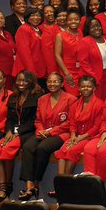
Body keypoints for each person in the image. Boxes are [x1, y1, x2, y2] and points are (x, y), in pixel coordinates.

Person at [16, 72, 73, 200]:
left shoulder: (70, 99)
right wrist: (41, 130)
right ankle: (29, 186)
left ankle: (36, 183)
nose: (52, 84)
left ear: (62, 84)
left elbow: (70, 122)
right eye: (49, 82)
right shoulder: (42, 99)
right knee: (27, 147)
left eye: (55, 81)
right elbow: (38, 120)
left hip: (62, 133)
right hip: (42, 132)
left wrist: (51, 132)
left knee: (42, 148)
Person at [0, 71, 41, 202]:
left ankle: (7, 186)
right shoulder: (13, 97)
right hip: (12, 133)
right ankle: (3, 187)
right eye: (19, 80)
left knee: (6, 150)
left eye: (24, 80)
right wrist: (8, 132)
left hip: (27, 133)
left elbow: (34, 121)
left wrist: (17, 133)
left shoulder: (37, 97)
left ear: (31, 82)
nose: (21, 83)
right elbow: (9, 119)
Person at [53, 76, 104, 179]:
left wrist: (79, 139)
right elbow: (72, 123)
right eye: (83, 86)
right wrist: (73, 135)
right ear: (79, 88)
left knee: (71, 151)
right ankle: (60, 182)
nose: (85, 89)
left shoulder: (99, 104)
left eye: (89, 86)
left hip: (90, 137)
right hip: (76, 136)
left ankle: (67, 182)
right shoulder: (75, 104)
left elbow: (96, 127)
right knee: (62, 150)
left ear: (94, 88)